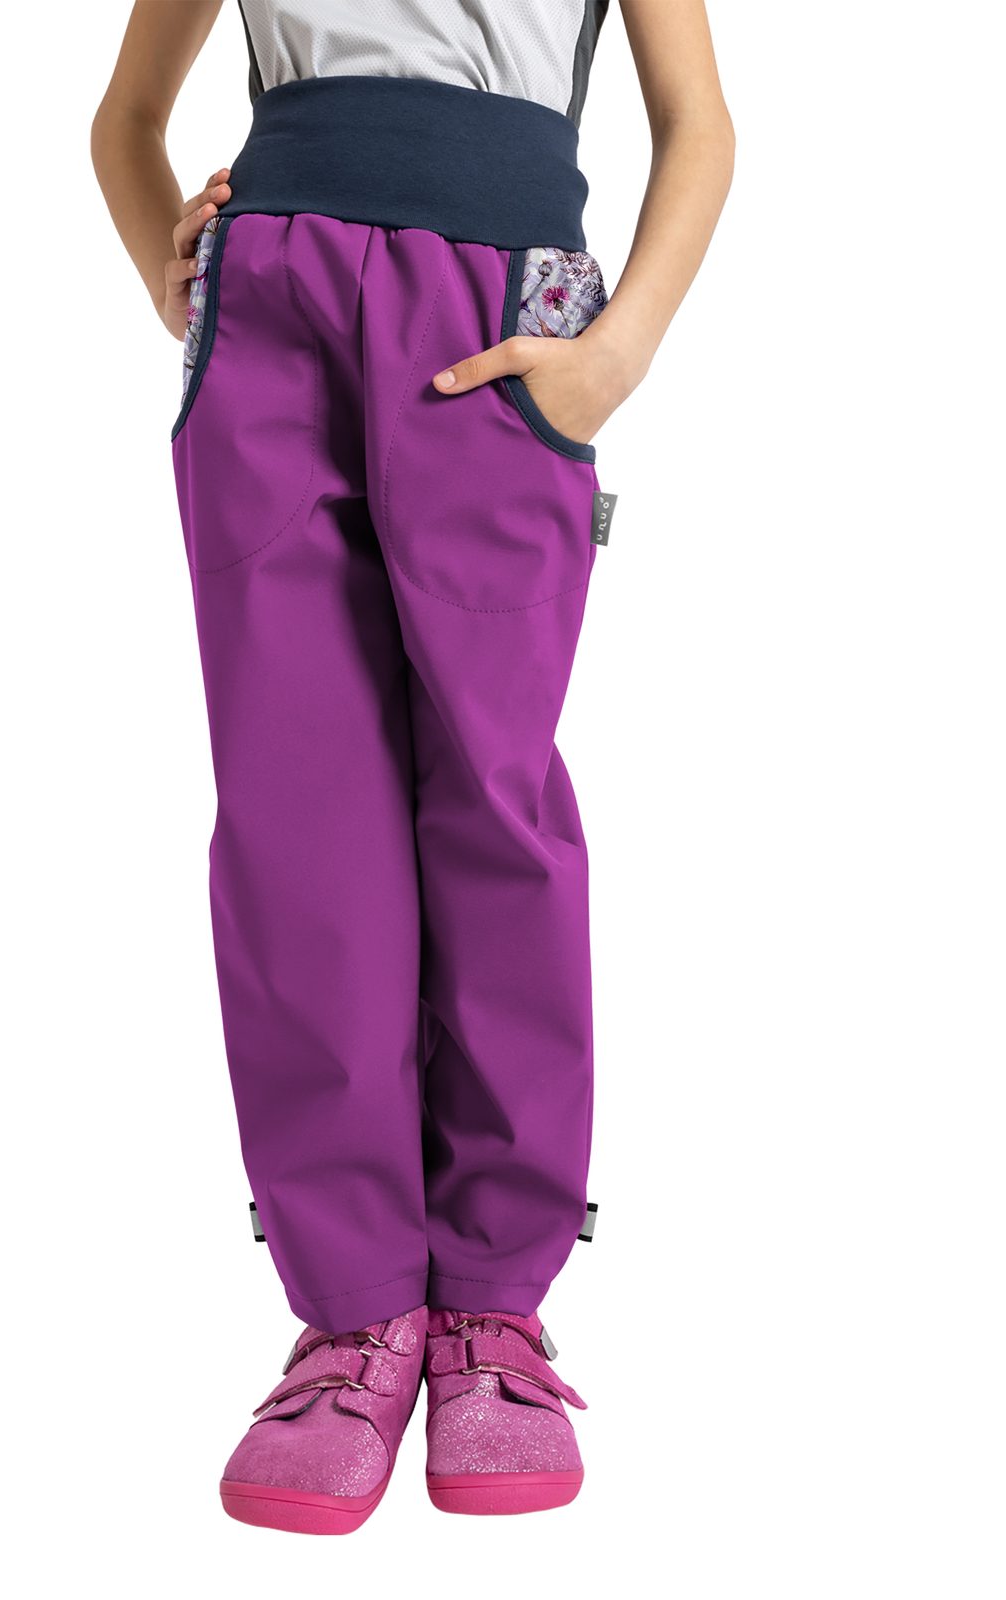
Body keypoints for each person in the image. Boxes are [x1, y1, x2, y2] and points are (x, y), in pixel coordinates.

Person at [93, 0, 733, 1534]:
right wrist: (184, 285)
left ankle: (495, 1310)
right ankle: (355, 1314)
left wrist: (614, 357)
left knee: (492, 801)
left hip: (497, 321)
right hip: (272, 319)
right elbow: (126, 121)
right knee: (296, 826)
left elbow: (697, 123)